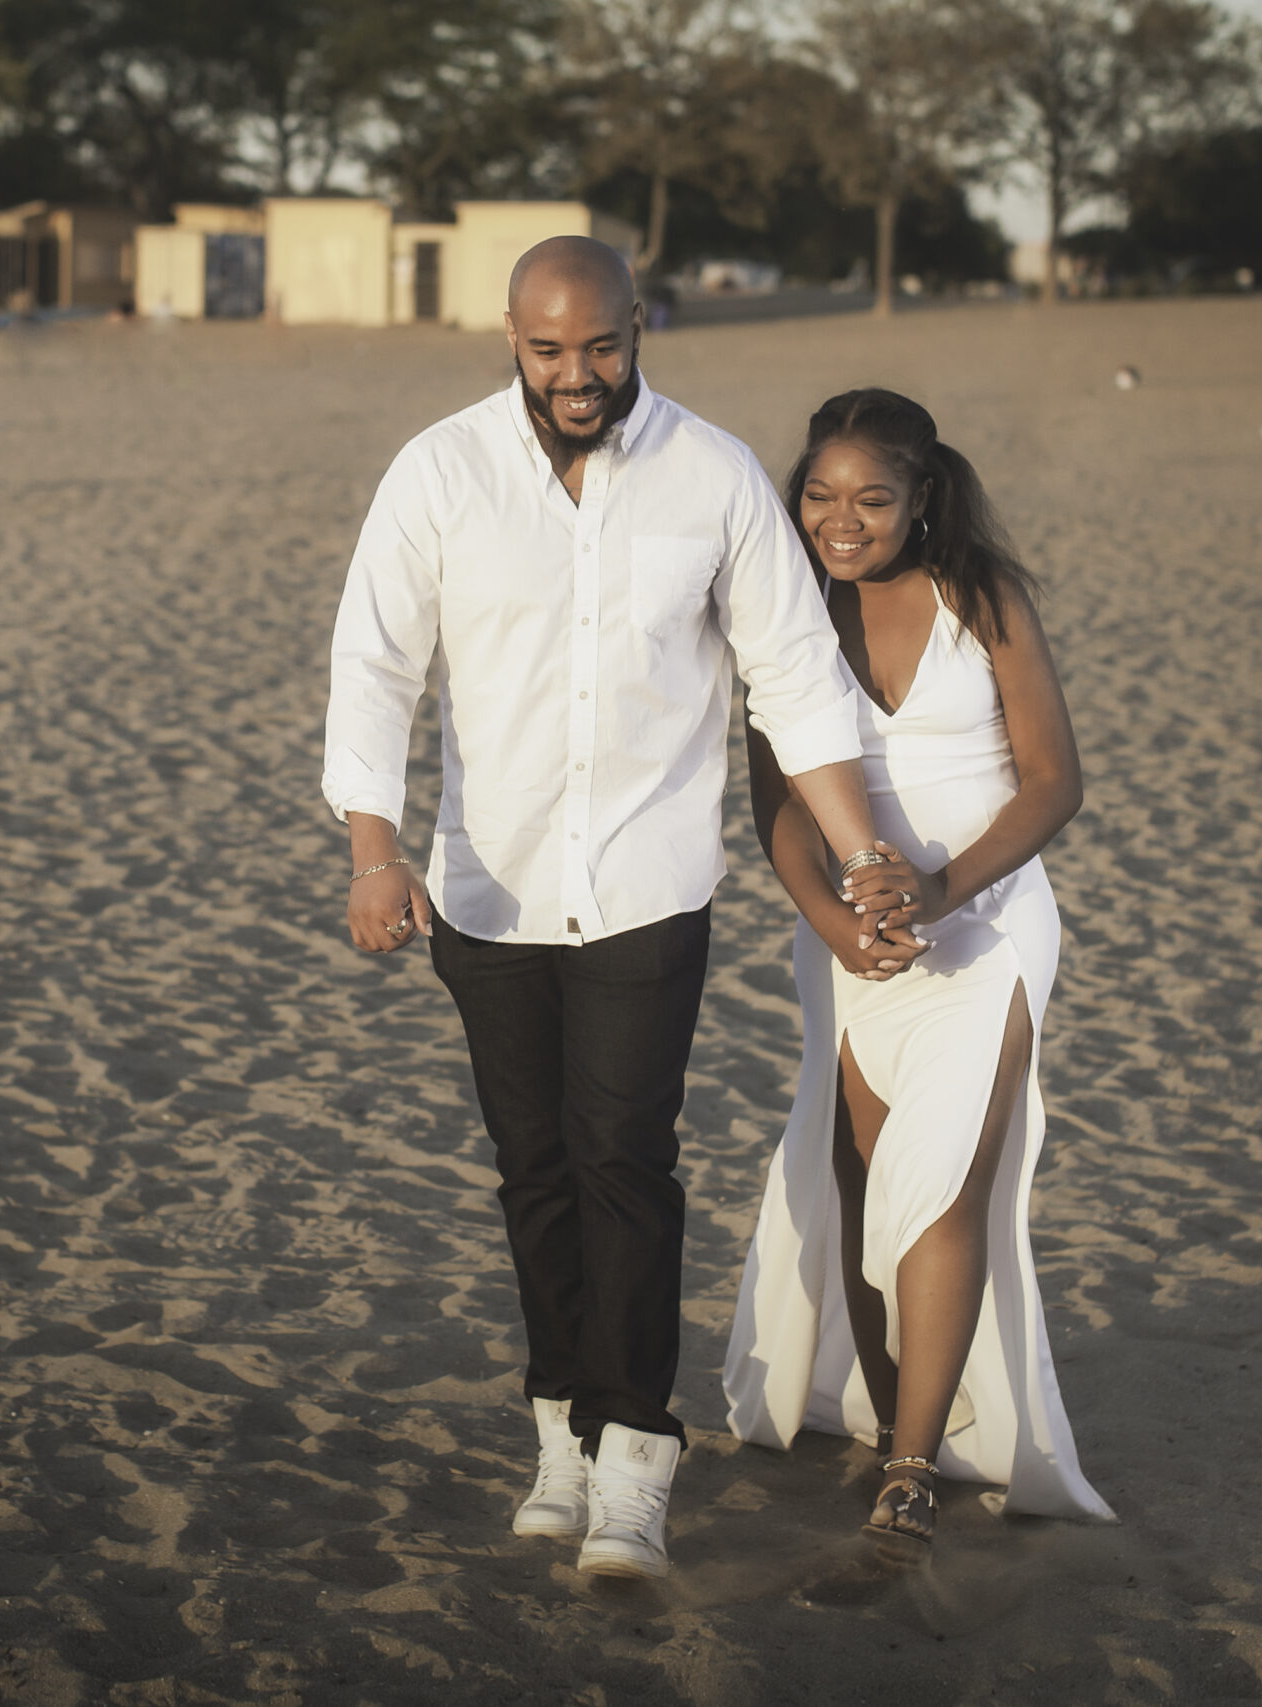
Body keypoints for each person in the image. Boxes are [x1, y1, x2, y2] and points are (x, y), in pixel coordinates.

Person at [322, 239, 925, 1579]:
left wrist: (864, 856)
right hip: (490, 885)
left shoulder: (710, 475)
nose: (576, 375)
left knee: (626, 1162)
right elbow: (375, 662)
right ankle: (561, 1433)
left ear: (638, 326)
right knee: (534, 1172)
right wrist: (375, 849)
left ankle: (637, 1458)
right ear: (510, 338)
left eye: (600, 346)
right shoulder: (441, 471)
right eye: (548, 352)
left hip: (650, 888)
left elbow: (796, 678)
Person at [721, 388, 1116, 1551]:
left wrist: (943, 892)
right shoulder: (787, 615)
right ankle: (902, 1415)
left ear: (921, 498)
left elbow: (1053, 780)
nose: (840, 519)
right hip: (848, 941)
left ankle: (906, 1469)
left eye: (871, 498)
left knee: (939, 1180)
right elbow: (777, 805)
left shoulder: (978, 600)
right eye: (819, 494)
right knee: (860, 1182)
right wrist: (835, 924)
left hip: (985, 924)